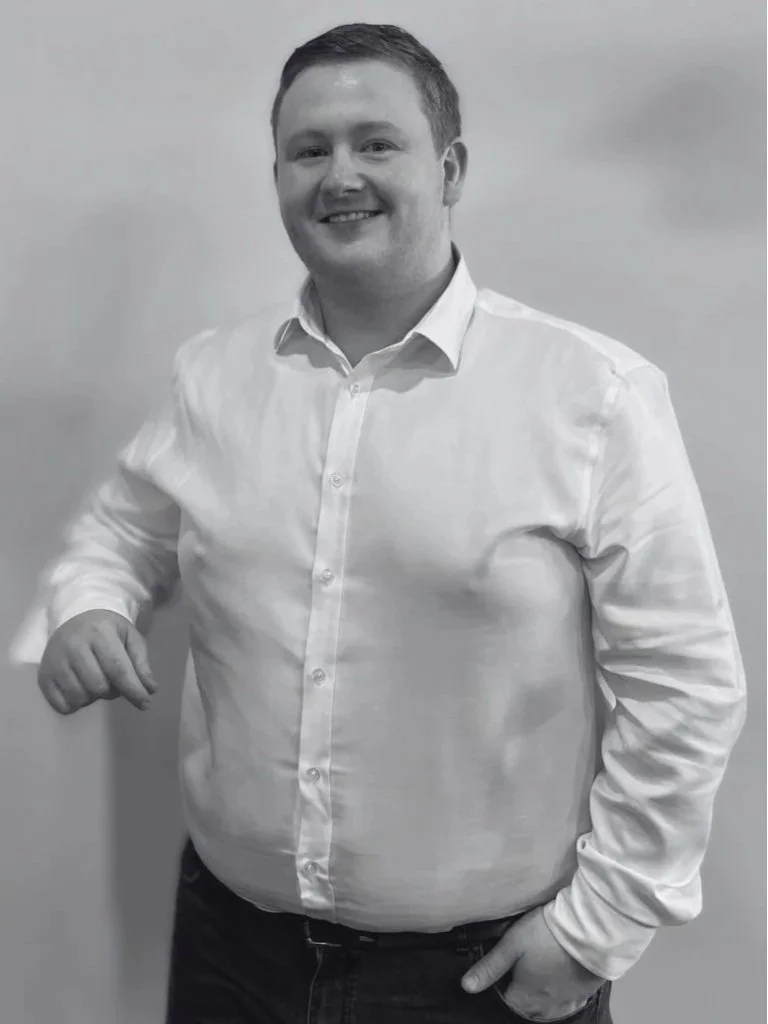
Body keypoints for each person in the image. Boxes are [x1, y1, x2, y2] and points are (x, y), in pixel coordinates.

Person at [10, 21, 746, 1024]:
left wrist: (598, 928)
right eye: (308, 151)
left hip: (482, 981)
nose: (339, 174)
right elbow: (120, 534)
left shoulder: (593, 394)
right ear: (276, 176)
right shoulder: (213, 378)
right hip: (230, 952)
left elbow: (687, 680)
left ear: (449, 168)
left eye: (376, 143)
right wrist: (87, 605)